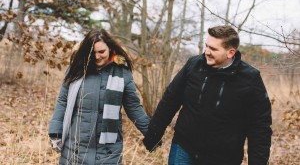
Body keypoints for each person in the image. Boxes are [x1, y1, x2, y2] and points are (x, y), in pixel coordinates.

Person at [143, 25, 272, 165]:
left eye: (213, 49)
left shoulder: (250, 79)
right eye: (207, 46)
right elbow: (170, 99)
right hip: (183, 148)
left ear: (231, 52)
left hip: (223, 157)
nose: (207, 52)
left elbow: (260, 127)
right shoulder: (194, 65)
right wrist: (154, 134)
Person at [48, 29, 150, 164]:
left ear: (110, 48)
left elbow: (134, 107)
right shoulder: (77, 69)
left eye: (101, 52)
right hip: (75, 148)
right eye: (92, 53)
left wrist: (152, 133)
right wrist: (55, 131)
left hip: (107, 152)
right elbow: (63, 101)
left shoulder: (122, 73)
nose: (97, 56)